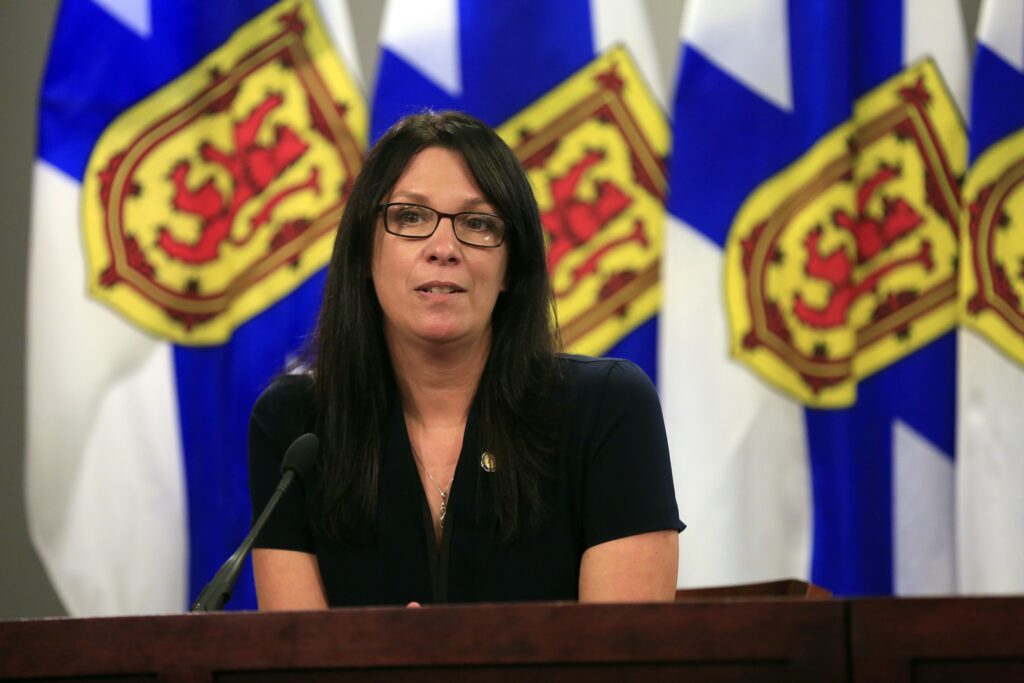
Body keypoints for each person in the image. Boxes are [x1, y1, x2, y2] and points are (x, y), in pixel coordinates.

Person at [248, 111, 683, 610]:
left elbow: (623, 665)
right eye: (410, 216)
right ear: (364, 254)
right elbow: (299, 665)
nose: (443, 248)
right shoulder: (296, 429)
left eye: (477, 223)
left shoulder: (606, 409)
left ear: (510, 269)